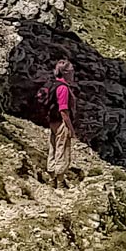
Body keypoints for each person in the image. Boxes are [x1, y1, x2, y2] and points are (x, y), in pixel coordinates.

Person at [46, 59, 77, 188]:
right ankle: (60, 181)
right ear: (65, 72)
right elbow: (63, 110)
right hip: (61, 122)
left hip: (52, 121)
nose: (73, 74)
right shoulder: (63, 88)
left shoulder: (53, 84)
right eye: (71, 72)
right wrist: (71, 128)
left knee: (53, 148)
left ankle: (51, 178)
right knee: (62, 150)